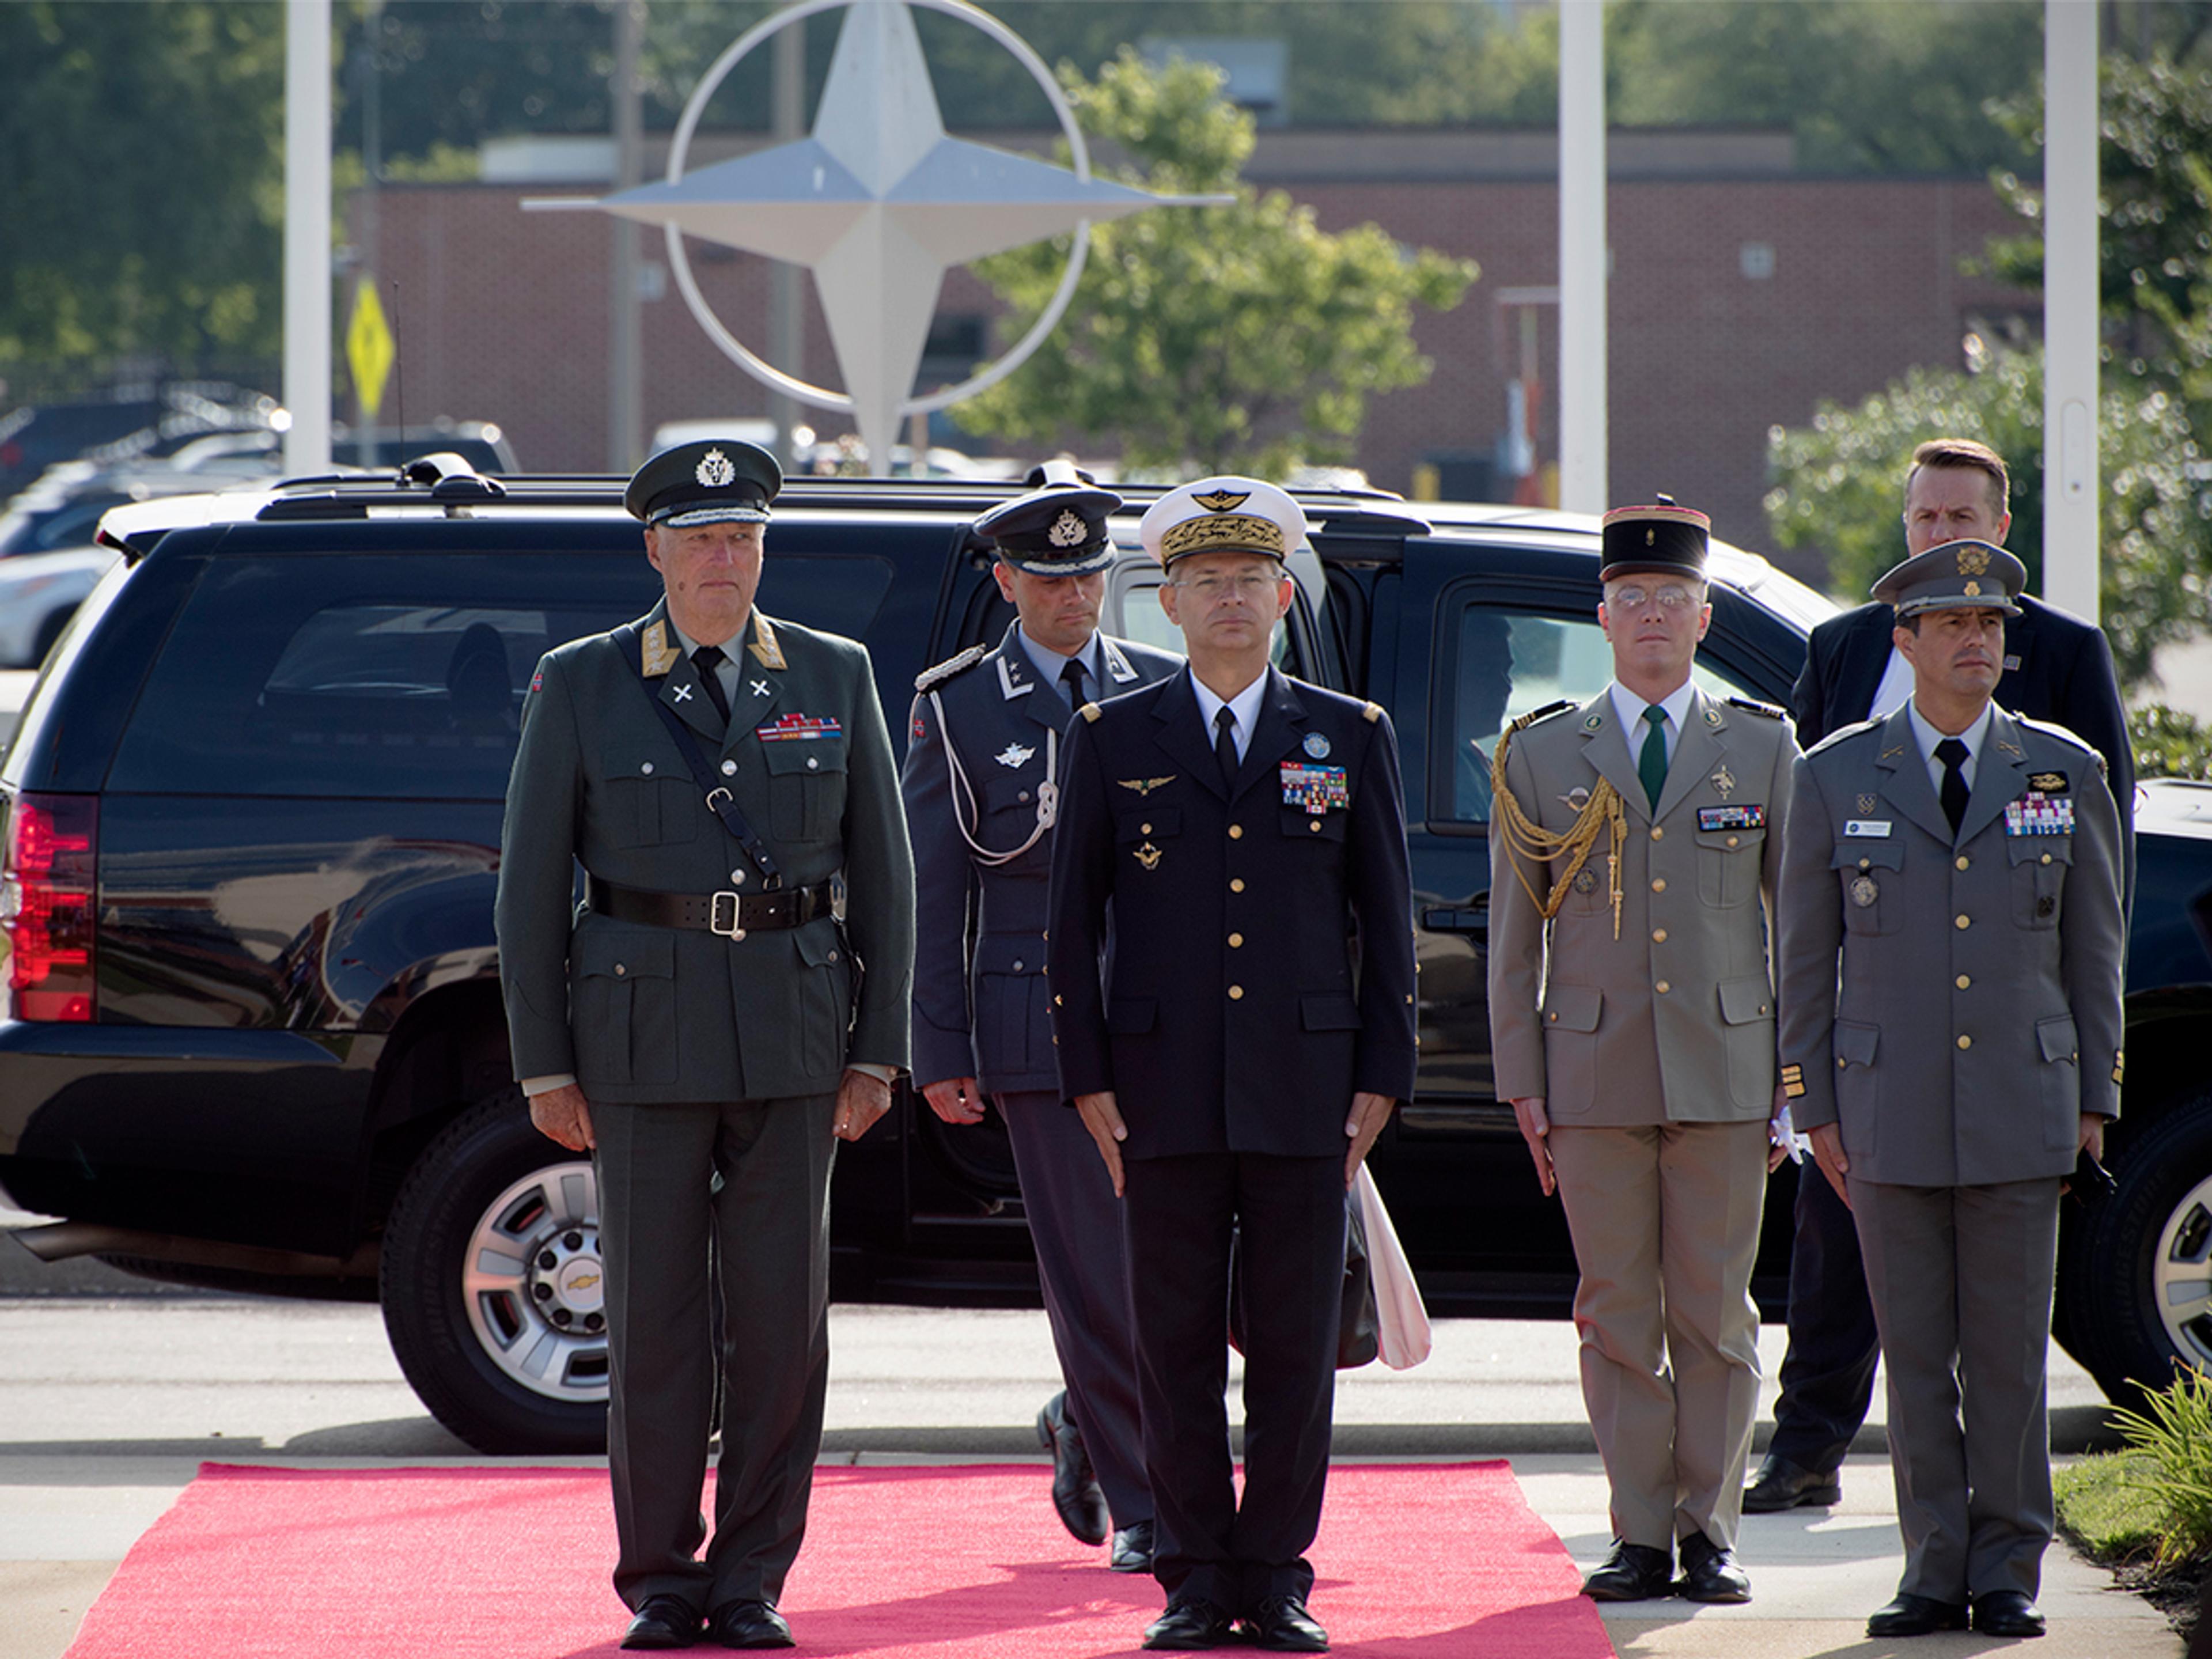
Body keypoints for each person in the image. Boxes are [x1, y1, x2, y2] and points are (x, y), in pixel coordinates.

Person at [494, 438, 914, 1652]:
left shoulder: (833, 673)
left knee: (782, 1328)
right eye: (700, 539)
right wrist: (544, 1064)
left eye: (743, 538)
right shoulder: (583, 681)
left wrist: (878, 1050)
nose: (723, 558)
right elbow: (532, 886)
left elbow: (887, 877)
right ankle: (664, 1581)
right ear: (655, 551)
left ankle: (752, 1578)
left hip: (794, 1037)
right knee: (656, 1323)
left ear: (764, 550)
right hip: (641, 1039)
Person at [1047, 476, 1416, 1653]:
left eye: (1252, 579)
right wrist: (1086, 1076)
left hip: (1306, 1090)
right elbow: (1070, 925)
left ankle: (1278, 1570)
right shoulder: (1113, 737)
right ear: (1167, 603)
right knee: (1174, 1347)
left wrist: (1384, 1070)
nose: (1230, 600)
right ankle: (1197, 1575)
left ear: (1282, 597)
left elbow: (1386, 920)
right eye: (1205, 581)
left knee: (1298, 1350)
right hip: (1159, 1091)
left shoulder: (1349, 734)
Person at [1748, 436, 2134, 1517]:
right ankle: (1811, 1446)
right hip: (1878, 1053)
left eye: (1962, 519)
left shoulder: (2059, 655)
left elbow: (2099, 872)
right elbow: (1807, 870)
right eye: (1926, 518)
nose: (1943, 534)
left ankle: (2003, 1549)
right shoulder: (1842, 649)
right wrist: (1805, 1081)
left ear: (1999, 528)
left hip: (2011, 1050)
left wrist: (2091, 1075)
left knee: (2002, 1336)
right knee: (1839, 1270)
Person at [1487, 499, 1797, 1607]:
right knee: (1616, 1312)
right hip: (1592, 1074)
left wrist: (1793, 1086)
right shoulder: (1540, 752)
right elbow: (1513, 940)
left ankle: (1710, 1533)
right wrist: (1523, 1085)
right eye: (1633, 598)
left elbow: (1800, 930)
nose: (1654, 614)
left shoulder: (1761, 744)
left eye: (1674, 598)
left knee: (1714, 1315)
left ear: (1706, 618)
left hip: (1726, 1070)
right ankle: (1638, 1536)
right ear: (1603, 617)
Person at [900, 460, 1179, 1571]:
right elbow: (933, 891)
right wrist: (937, 1047)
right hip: (1036, 1028)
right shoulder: (958, 705)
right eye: (1053, 579)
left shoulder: (1165, 687)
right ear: (1008, 581)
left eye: (1092, 575)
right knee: (1098, 1274)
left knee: (1183, 1262)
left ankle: (1088, 1419)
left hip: (1164, 1025)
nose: (1076, 596)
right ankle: (1147, 1501)